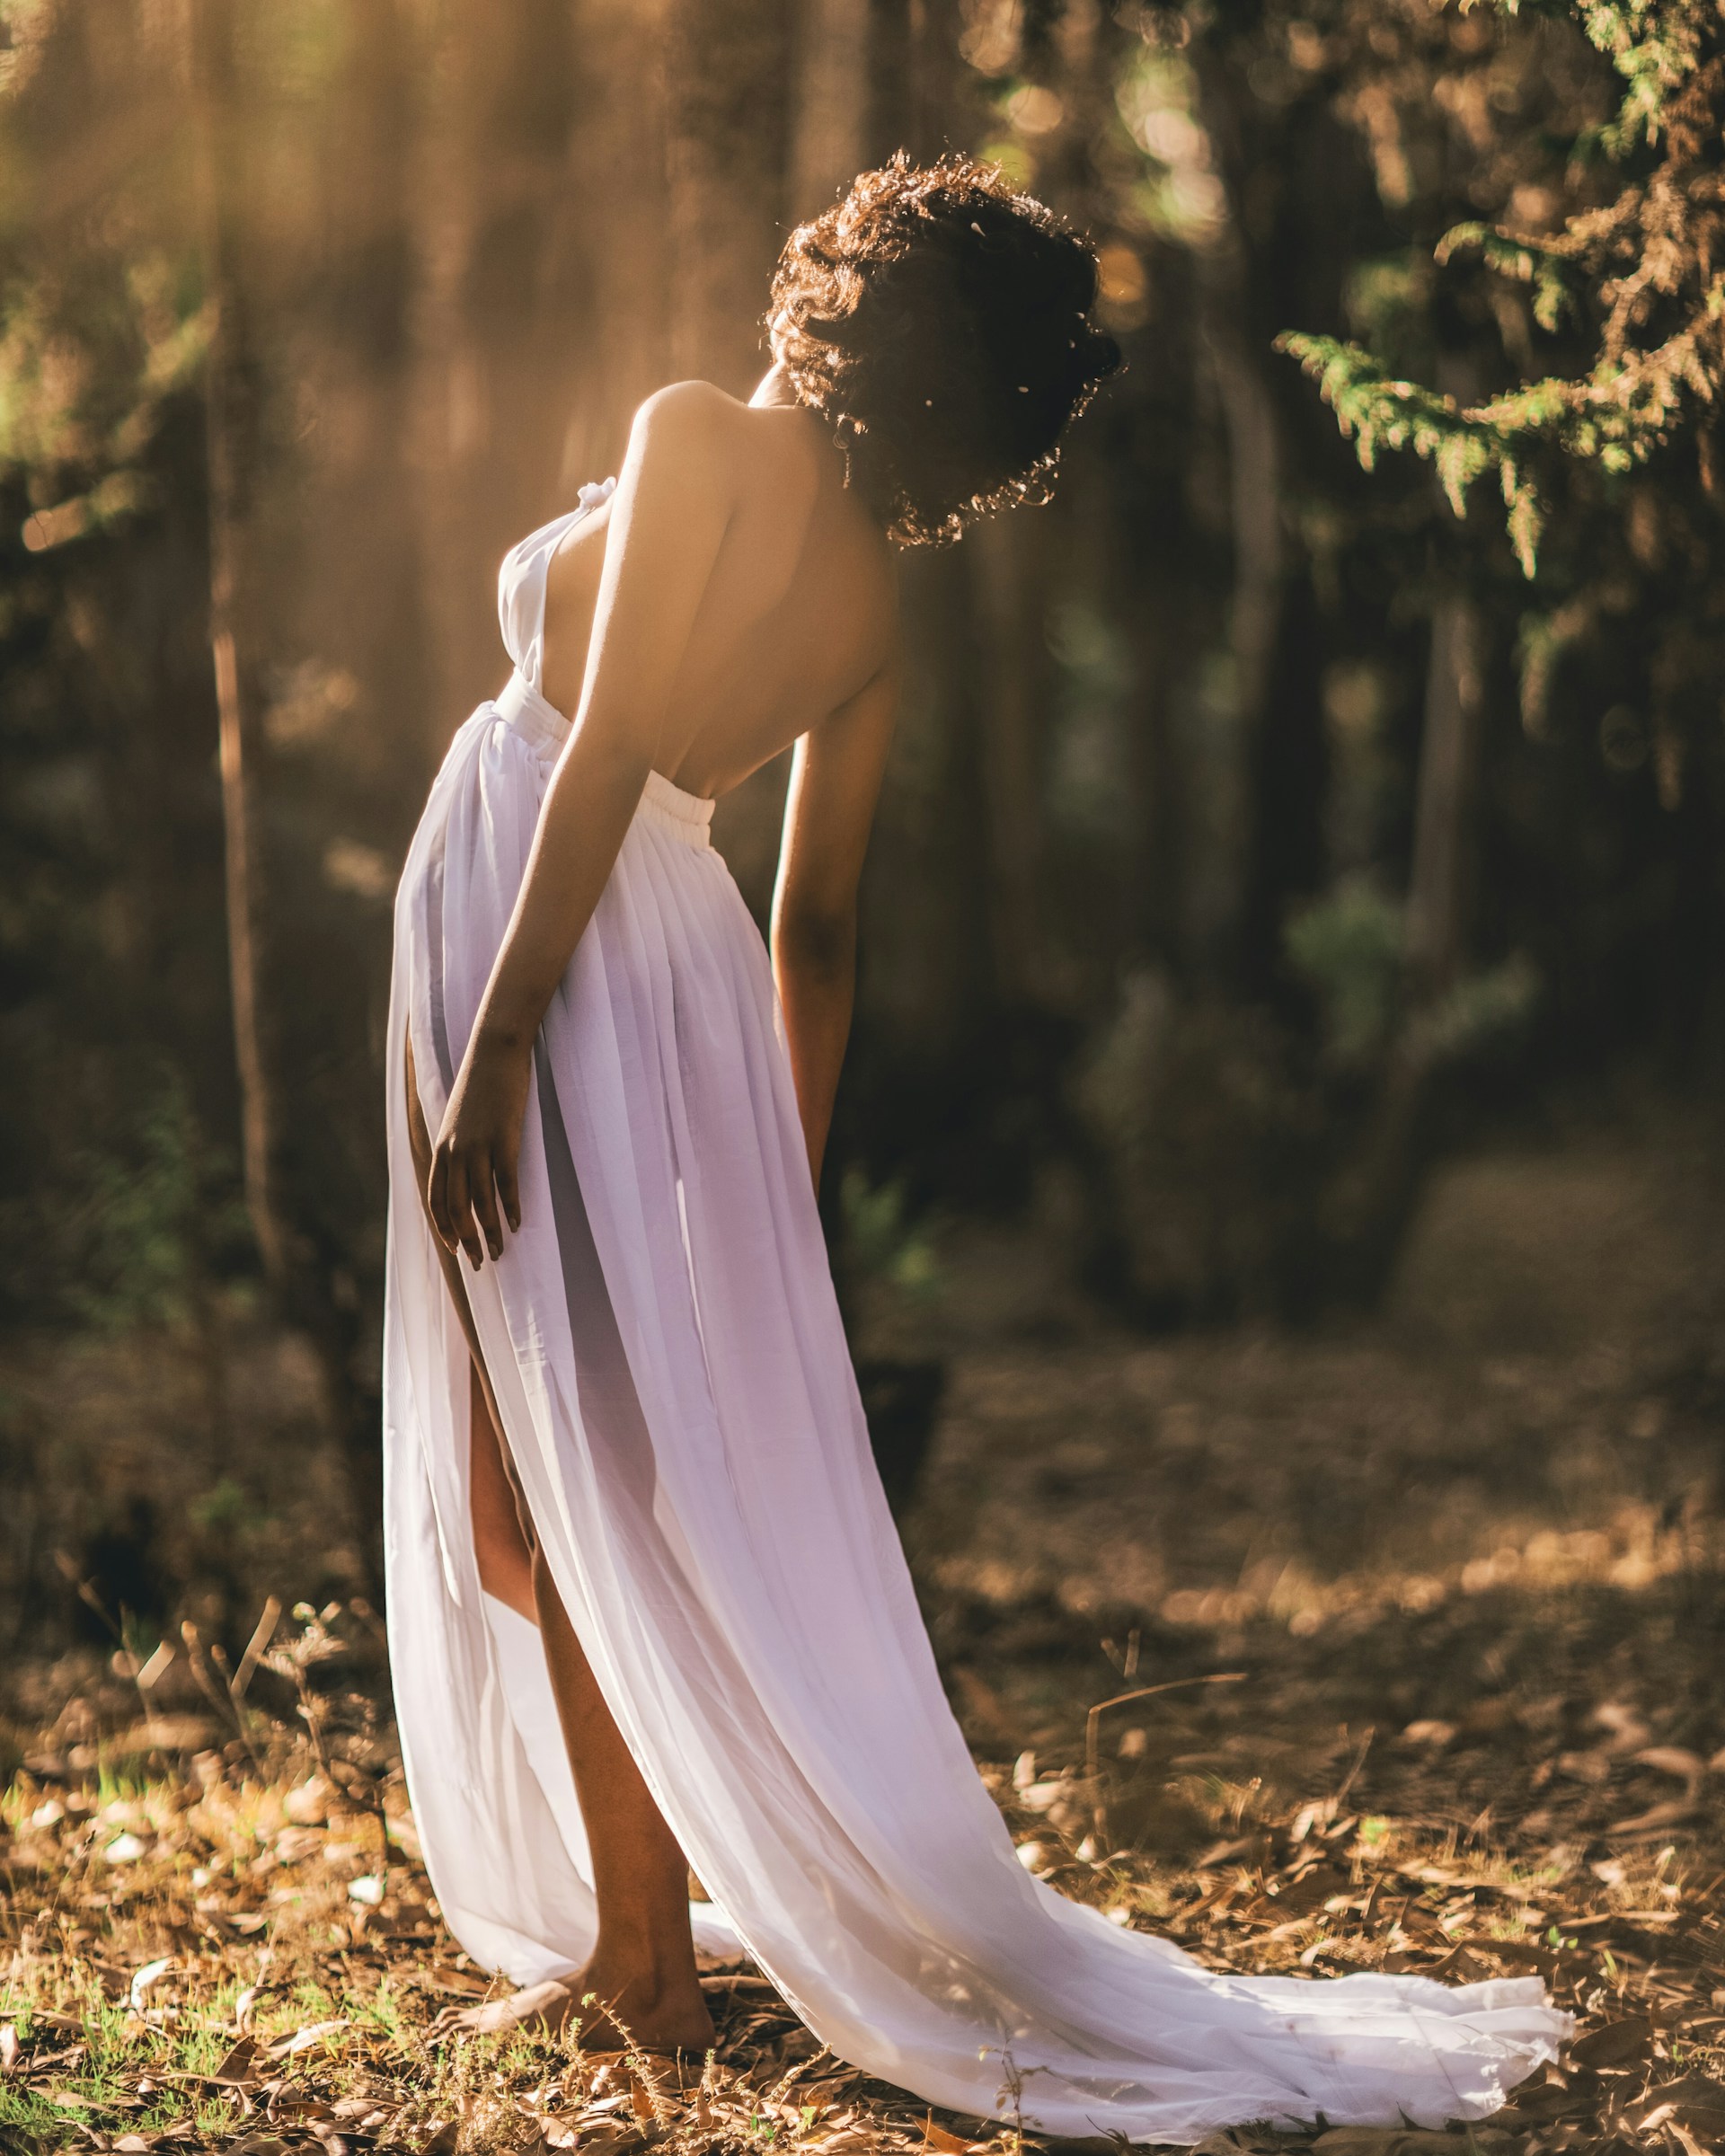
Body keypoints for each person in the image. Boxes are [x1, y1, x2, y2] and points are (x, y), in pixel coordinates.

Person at [384, 155, 1568, 2141]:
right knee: (543, 1486)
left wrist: (505, 1036)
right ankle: (639, 1936)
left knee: (550, 1484)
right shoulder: (872, 603)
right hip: (654, 965)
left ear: (845, 291)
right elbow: (817, 931)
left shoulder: (687, 431)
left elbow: (600, 742)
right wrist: (773, 1183)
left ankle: (647, 1971)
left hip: (559, 940)